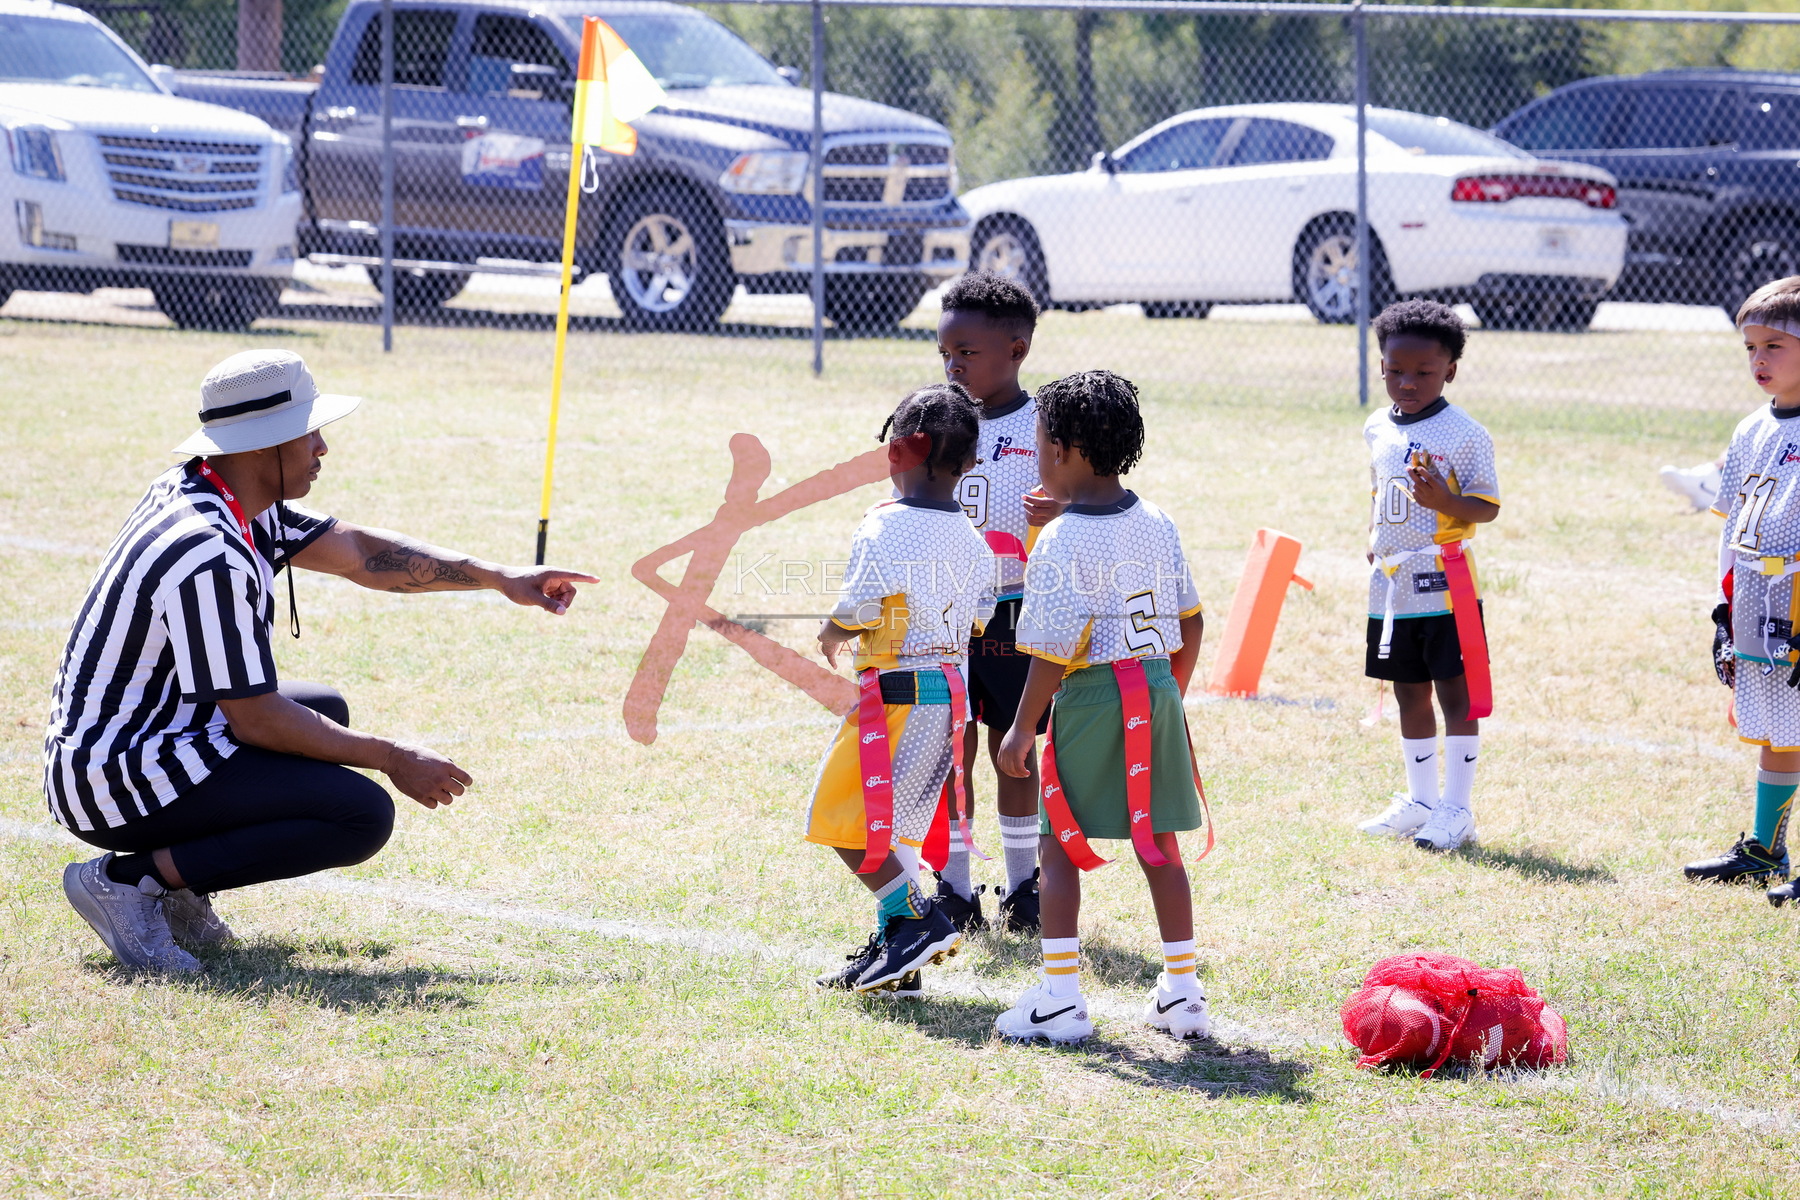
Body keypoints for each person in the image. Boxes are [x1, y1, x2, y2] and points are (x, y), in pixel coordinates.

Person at [47, 349, 597, 973]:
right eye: (308, 431)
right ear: (263, 444)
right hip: (111, 779)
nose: (322, 447)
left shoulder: (215, 492)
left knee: (326, 710)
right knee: (360, 814)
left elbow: (360, 553)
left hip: (136, 739)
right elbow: (257, 718)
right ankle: (131, 882)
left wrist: (500, 577)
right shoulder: (206, 551)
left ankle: (176, 884)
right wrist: (392, 756)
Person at [992, 370, 1210, 1045]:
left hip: (1090, 697)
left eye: (1039, 445)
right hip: (1157, 688)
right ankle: (1183, 993)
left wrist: (1020, 730)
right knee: (1159, 843)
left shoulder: (1062, 538)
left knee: (1059, 845)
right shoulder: (1157, 520)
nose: (1036, 456)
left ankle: (1060, 999)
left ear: (1064, 450)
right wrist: (1166, 693)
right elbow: (1192, 620)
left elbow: (1052, 652)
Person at [810, 383, 997, 996]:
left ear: (897, 453)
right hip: (948, 698)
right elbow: (981, 615)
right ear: (970, 462)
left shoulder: (884, 525)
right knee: (900, 832)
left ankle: (915, 920)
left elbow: (862, 605)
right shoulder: (973, 538)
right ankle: (902, 960)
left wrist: (832, 632)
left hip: (896, 694)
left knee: (839, 817)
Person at [935, 271, 1063, 935]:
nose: (953, 366)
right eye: (945, 353)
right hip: (946, 615)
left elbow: (1085, 501)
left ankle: (1022, 885)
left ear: (1017, 350)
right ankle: (956, 890)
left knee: (1013, 751)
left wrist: (1060, 509)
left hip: (1016, 613)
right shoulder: (934, 419)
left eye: (967, 353)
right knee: (948, 750)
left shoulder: (1046, 425)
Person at [1352, 301, 1501, 854]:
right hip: (1393, 586)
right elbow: (1379, 487)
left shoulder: (1465, 433)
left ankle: (1457, 809)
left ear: (1450, 372)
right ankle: (1421, 801)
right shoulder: (1376, 426)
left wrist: (1445, 502)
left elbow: (1487, 506)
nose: (1407, 382)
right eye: (1395, 370)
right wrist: (1374, 534)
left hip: (1444, 585)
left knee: (1454, 694)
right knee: (1408, 691)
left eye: (1424, 371)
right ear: (1381, 367)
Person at [1684, 277, 1800, 902]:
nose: (1759, 358)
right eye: (1751, 346)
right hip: (1757, 601)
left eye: (1775, 345)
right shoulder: (1751, 429)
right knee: (1781, 728)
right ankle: (1765, 850)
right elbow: (1731, 529)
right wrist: (1724, 613)